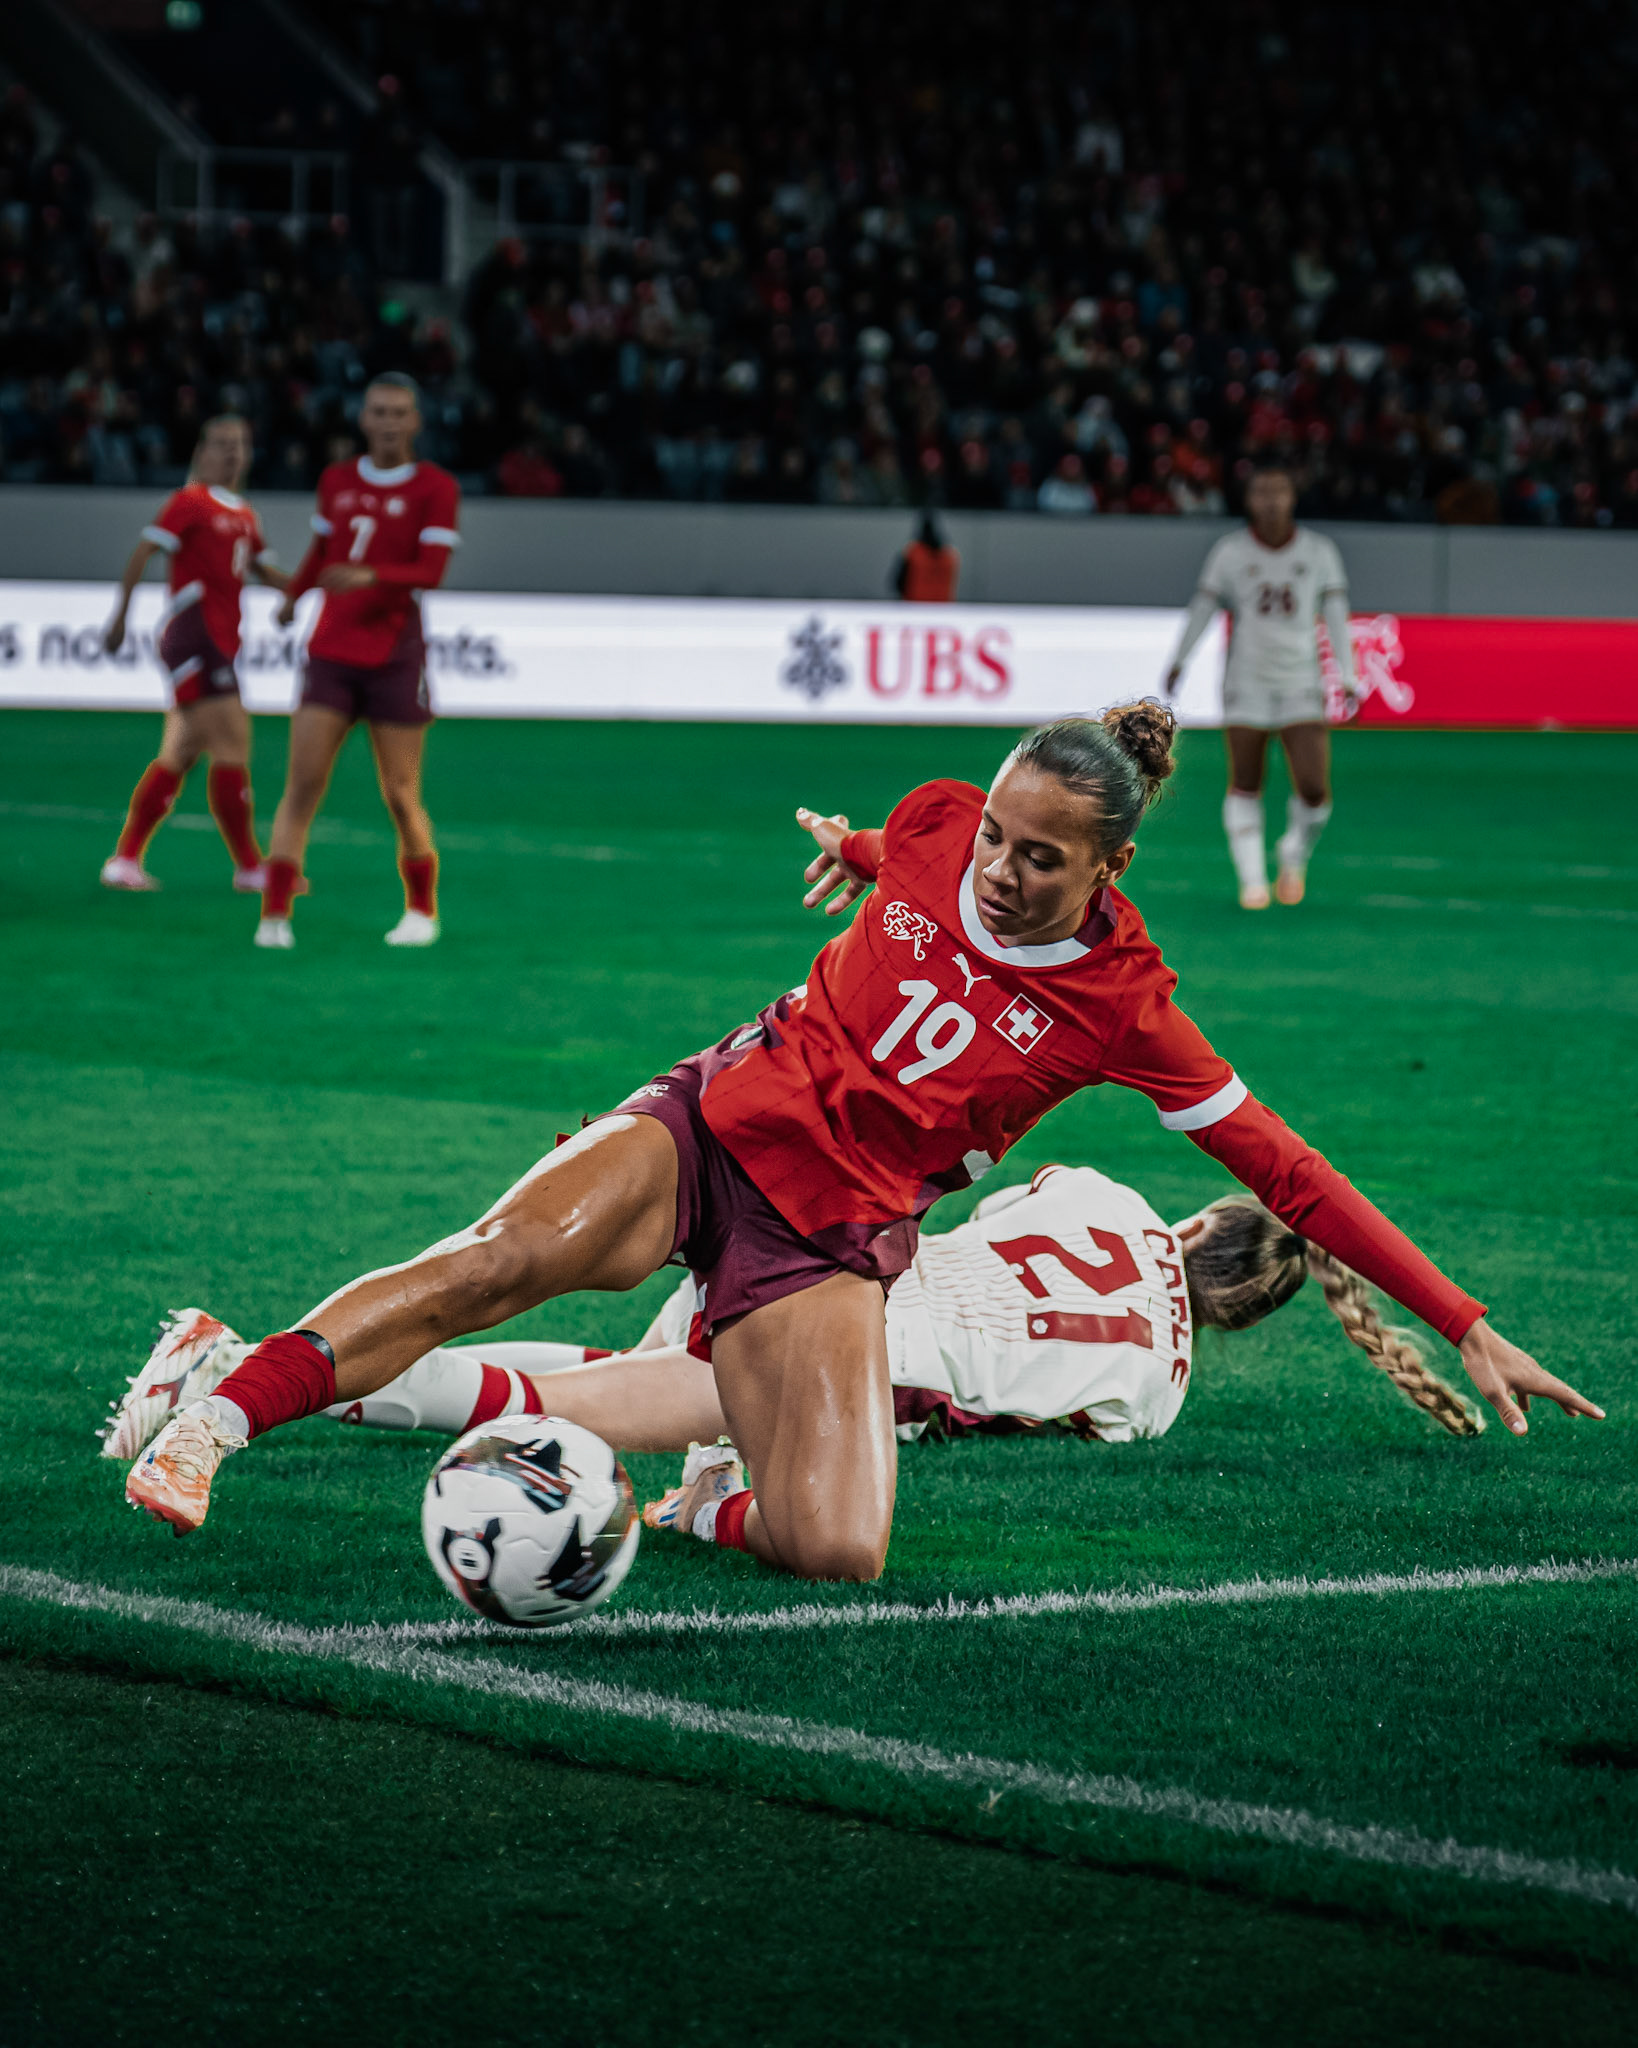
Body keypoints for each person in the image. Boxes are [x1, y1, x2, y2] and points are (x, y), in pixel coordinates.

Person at [123, 705, 1602, 1570]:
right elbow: (905, 854)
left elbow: (1289, 1174)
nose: (1003, 869)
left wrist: (1458, 1320)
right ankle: (213, 1417)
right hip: (721, 1116)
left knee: (840, 1547)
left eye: (1043, 856)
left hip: (830, 1240)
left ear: (1112, 865)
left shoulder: (1126, 1012)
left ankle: (695, 1498)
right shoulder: (940, 821)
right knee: (499, 1260)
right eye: (998, 839)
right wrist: (854, 852)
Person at [101, 1165, 1484, 1480]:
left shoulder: (1109, 1194)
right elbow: (973, 1415)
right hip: (839, 1360)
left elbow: (984, 1205)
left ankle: (233, 1357)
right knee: (584, 1413)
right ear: (1236, 1316)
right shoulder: (1156, 1400)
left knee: (596, 1373)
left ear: (1192, 1227)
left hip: (811, 1255)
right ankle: (227, 1370)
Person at [256, 374, 460, 950]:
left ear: (416, 421)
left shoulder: (435, 488)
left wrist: (371, 575)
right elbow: (322, 550)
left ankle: (422, 910)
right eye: (380, 412)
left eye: (400, 412)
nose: (390, 422)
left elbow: (431, 571)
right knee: (303, 783)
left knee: (400, 792)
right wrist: (294, 598)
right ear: (364, 419)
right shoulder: (337, 481)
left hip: (395, 654)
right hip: (330, 651)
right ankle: (274, 914)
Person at [99, 415, 287, 893]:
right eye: (222, 444)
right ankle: (249, 867)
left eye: (240, 444)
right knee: (232, 745)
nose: (232, 453)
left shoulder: (245, 513)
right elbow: (145, 550)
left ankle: (124, 861)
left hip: (220, 641)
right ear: (202, 452)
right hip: (196, 637)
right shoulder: (191, 502)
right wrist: (120, 617)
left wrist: (320, 587)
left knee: (180, 753)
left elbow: (267, 572)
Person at [1162, 463, 1356, 909]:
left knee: (1313, 787)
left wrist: (1348, 674)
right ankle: (1252, 880)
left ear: (1292, 498)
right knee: (1246, 780)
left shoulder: (1319, 551)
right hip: (1246, 680)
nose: (1271, 500)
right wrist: (1180, 658)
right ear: (1249, 500)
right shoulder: (1229, 552)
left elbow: (1337, 616)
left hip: (1300, 679)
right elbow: (1203, 606)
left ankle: (1294, 852)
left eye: (1280, 491)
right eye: (1262, 492)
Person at [891, 510, 960, 602]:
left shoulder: (913, 552)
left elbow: (898, 583)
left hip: (915, 606)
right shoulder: (950, 555)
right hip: (943, 608)